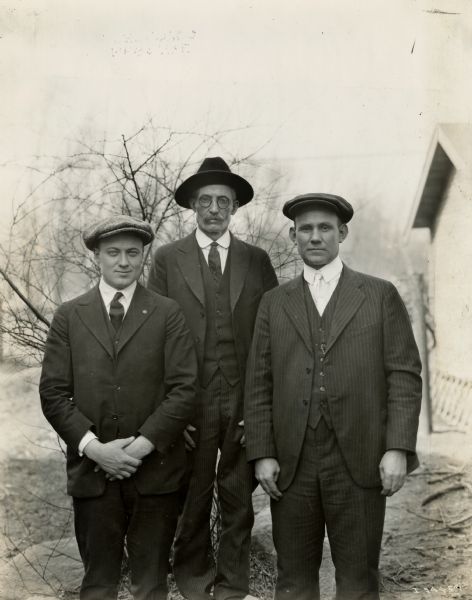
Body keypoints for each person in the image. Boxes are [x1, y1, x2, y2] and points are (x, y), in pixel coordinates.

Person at [244, 193, 422, 600]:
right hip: (292, 462)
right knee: (292, 579)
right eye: (305, 229)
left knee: (359, 579)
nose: (315, 236)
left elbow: (404, 376)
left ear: (342, 233)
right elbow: (258, 381)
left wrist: (397, 447)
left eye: (325, 228)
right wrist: (263, 452)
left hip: (359, 460)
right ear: (292, 236)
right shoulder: (274, 303)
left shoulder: (379, 294)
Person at [39, 215, 198, 600]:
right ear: (97, 256)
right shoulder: (70, 315)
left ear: (144, 256)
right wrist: (96, 450)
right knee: (97, 584)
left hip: (156, 473)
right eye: (113, 253)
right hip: (94, 475)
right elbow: (54, 393)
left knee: (151, 584)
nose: (123, 262)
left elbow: (184, 389)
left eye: (133, 253)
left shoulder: (167, 312)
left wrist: (138, 449)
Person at [148, 157, 279, 600]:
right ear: (192, 206)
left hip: (242, 399)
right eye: (205, 200)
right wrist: (170, 413)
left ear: (236, 207)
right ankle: (194, 583)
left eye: (223, 200)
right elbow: (154, 339)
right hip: (191, 400)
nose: (214, 209)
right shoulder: (168, 259)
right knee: (192, 496)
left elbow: (272, 336)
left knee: (239, 501)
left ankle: (231, 586)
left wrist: (258, 411)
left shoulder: (256, 260)